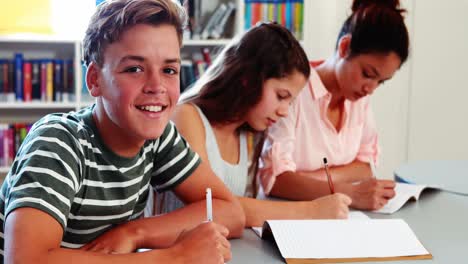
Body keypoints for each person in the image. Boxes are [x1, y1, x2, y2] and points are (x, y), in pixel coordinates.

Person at [0, 1, 245, 263]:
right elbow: (25, 259)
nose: (156, 86)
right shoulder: (59, 142)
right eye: (134, 69)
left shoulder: (159, 138)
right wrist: (174, 257)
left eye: (169, 70)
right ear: (95, 80)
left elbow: (230, 211)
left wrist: (134, 232)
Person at [154, 22, 351, 228]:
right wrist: (312, 211)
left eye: (290, 102)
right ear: (248, 79)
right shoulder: (186, 116)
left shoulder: (243, 134)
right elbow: (213, 208)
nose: (284, 111)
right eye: (281, 96)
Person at [259, 0, 409, 210]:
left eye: (380, 81)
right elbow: (276, 180)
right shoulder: (293, 92)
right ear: (345, 47)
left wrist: (307, 180)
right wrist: (348, 190)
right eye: (368, 74)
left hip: (341, 217)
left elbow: (366, 167)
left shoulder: (359, 99)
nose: (371, 88)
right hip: (289, 216)